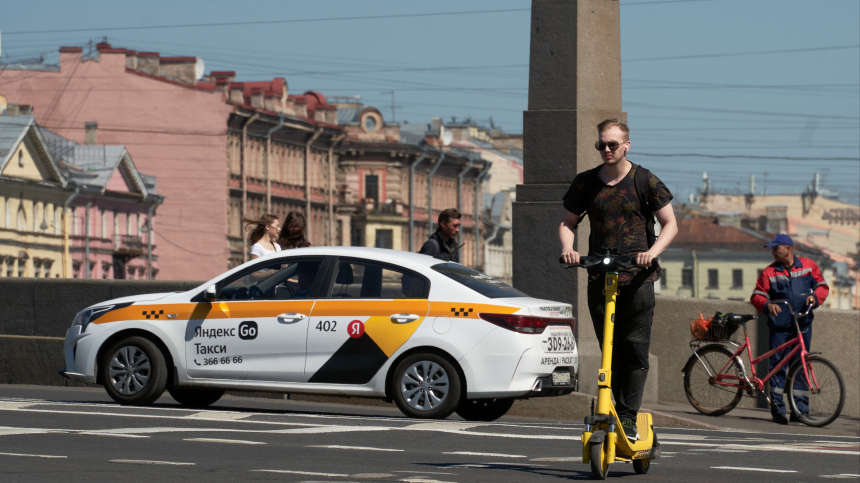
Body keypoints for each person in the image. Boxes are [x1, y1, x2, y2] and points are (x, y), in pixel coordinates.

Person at [559, 119, 678, 441]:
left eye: (613, 144)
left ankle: (627, 417)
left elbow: (669, 224)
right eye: (602, 145)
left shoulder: (644, 180)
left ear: (627, 145)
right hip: (601, 276)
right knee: (608, 350)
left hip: (639, 279)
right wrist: (569, 249)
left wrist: (651, 252)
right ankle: (608, 408)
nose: (607, 150)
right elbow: (568, 222)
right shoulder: (586, 183)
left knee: (634, 351)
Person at [750, 234, 829, 424]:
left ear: (788, 249)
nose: (773, 252)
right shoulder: (769, 272)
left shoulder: (808, 265)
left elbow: (822, 287)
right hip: (780, 326)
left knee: (801, 367)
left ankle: (799, 410)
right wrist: (767, 305)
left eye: (776, 249)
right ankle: (778, 409)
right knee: (778, 367)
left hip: (802, 325)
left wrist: (814, 298)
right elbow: (757, 296)